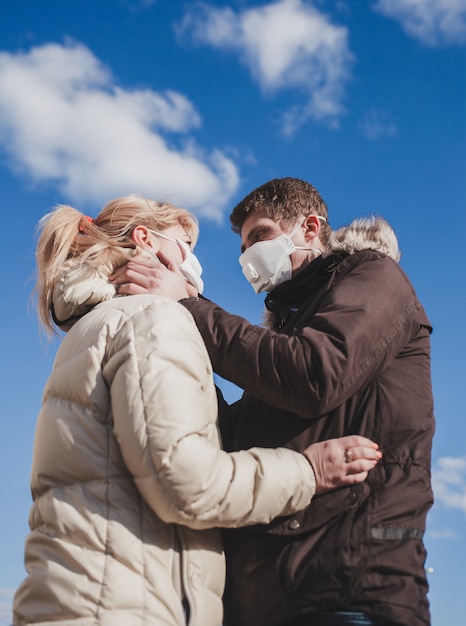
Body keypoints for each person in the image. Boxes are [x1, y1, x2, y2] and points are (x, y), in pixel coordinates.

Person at [13, 194, 381, 626]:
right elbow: (186, 482)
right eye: (185, 246)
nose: (194, 261)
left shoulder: (98, 325)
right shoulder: (150, 318)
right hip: (128, 607)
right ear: (147, 241)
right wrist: (307, 471)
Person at [111, 179, 435, 626]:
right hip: (271, 596)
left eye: (260, 234)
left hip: (347, 586)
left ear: (310, 228)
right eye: (243, 245)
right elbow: (239, 436)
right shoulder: (288, 332)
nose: (248, 255)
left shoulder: (375, 278)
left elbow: (315, 374)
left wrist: (190, 306)